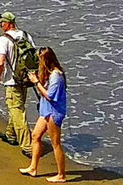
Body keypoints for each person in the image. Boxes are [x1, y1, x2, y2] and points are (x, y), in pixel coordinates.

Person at [21, 47, 70, 181]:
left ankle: (61, 175)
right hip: (46, 111)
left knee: (55, 143)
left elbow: (49, 95)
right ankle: (33, 167)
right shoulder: (49, 73)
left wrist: (36, 82)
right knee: (36, 135)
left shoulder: (56, 75)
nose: (38, 63)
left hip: (54, 112)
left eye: (40, 60)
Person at [0, 12, 35, 155]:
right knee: (16, 107)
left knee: (17, 112)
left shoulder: (3, 40)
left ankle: (28, 147)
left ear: (9, 23)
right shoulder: (26, 35)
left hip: (12, 81)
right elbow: (34, 57)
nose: (0, 25)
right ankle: (11, 135)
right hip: (25, 79)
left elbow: (0, 63)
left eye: (2, 23)